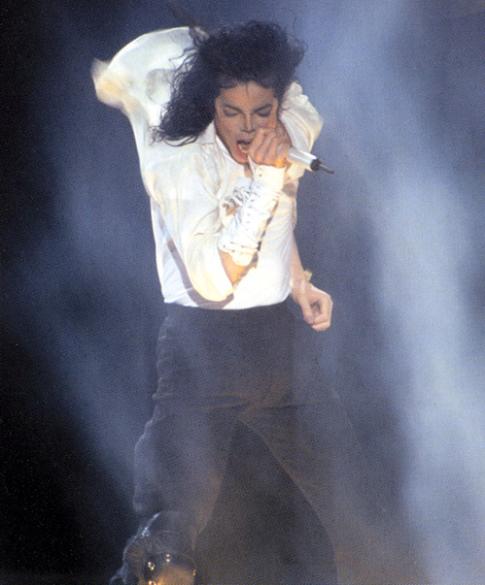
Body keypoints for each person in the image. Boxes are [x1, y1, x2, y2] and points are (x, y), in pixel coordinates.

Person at [93, 22, 422, 585]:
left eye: (261, 112)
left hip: (280, 345)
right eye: (231, 112)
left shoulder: (288, 127)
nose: (247, 128)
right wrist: (267, 179)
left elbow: (279, 210)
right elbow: (214, 281)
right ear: (210, 105)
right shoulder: (178, 162)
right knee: (167, 545)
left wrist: (298, 281)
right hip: (203, 351)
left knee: (358, 506)